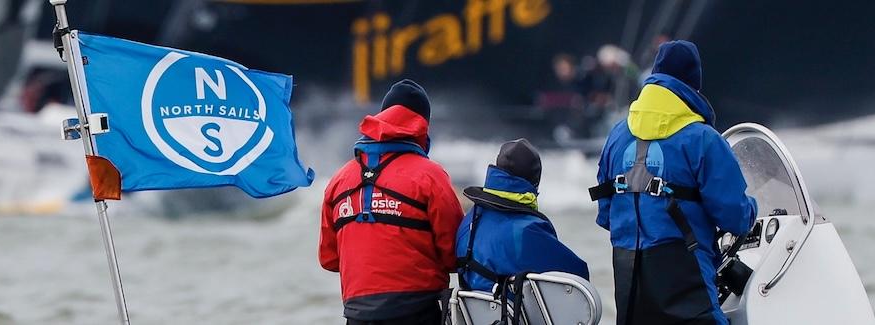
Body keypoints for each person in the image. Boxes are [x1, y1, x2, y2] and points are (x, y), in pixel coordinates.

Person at [587, 40, 757, 325]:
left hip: (628, 276)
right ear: (693, 86)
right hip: (684, 272)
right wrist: (752, 209)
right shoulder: (702, 138)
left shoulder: (617, 135)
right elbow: (735, 217)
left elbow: (606, 215)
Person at [319, 79, 465, 325]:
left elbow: (329, 259)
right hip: (418, 312)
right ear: (422, 126)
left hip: (357, 315)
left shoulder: (339, 179)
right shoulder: (431, 175)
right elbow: (454, 255)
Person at [455, 138, 589, 294]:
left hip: (473, 315)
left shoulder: (470, 219)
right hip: (511, 315)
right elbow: (578, 277)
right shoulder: (527, 229)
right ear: (535, 182)